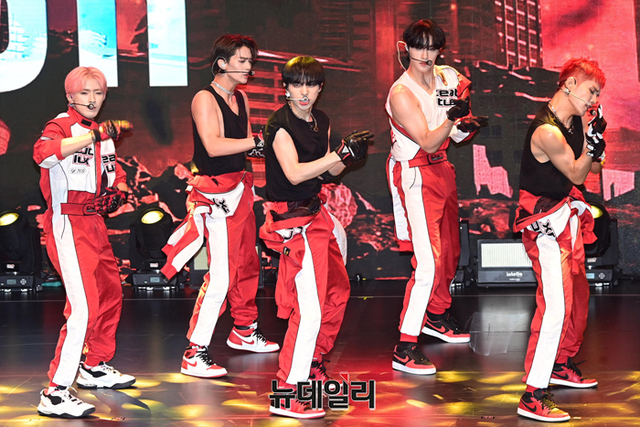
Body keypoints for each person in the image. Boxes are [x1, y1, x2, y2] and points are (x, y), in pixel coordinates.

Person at [260, 56, 372, 419]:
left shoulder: (320, 120)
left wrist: (348, 158)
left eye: (310, 84)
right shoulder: (279, 126)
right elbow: (294, 174)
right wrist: (338, 154)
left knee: (337, 292)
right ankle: (287, 391)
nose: (304, 92)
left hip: (316, 215)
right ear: (286, 88)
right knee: (309, 309)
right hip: (291, 221)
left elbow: (328, 172)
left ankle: (312, 363)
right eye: (297, 84)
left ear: (320, 88)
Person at [161, 34, 279, 380]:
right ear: (221, 63)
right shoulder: (204, 98)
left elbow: (243, 147)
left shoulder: (240, 97)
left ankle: (243, 329)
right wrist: (256, 141)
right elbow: (213, 146)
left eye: (250, 61)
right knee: (222, 274)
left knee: (247, 263)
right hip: (215, 195)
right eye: (242, 60)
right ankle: (194, 351)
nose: (248, 67)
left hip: (240, 187)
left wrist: (265, 144)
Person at [385, 19, 487, 375]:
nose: (425, 54)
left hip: (442, 167)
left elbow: (453, 135)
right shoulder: (401, 92)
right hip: (415, 172)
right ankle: (405, 345)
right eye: (419, 46)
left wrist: (465, 125)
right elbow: (428, 140)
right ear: (407, 48)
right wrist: (450, 120)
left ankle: (436, 315)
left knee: (450, 251)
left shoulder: (448, 78)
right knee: (427, 262)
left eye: (432, 47)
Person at [33, 66, 135, 418]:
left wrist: (119, 190)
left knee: (110, 294)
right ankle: (55, 392)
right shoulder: (61, 125)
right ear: (70, 96)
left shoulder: (102, 134)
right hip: (67, 223)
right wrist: (94, 136)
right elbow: (43, 154)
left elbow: (115, 173)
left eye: (99, 92)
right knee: (83, 308)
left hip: (95, 223)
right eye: (84, 92)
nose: (92, 99)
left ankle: (94, 365)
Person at [514, 58, 605, 422]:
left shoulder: (575, 122)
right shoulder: (547, 132)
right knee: (554, 307)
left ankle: (559, 363)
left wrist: (595, 141)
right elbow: (578, 172)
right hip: (544, 224)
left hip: (565, 217)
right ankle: (532, 394)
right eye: (591, 91)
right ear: (569, 85)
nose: (595, 99)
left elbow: (593, 168)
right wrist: (591, 148)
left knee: (577, 298)